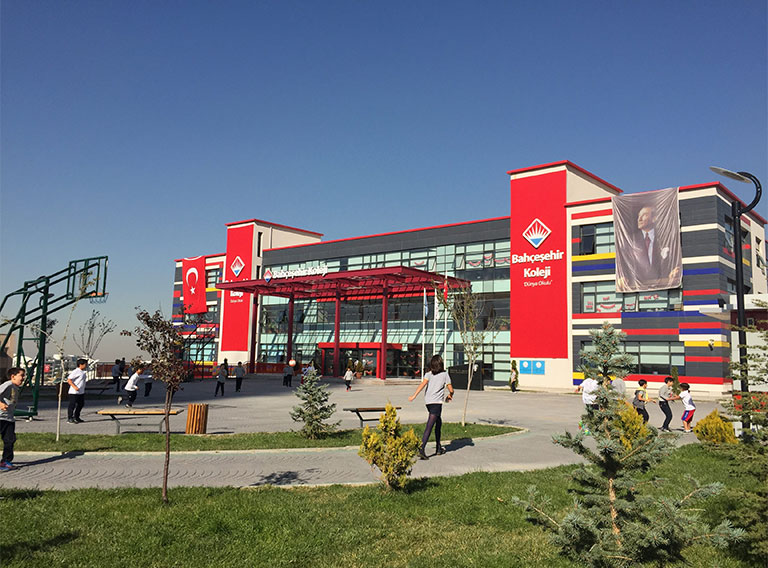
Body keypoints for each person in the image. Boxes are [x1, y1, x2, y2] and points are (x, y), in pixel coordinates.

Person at [408, 354, 454, 460]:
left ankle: (438, 447)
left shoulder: (428, 374)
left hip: (428, 402)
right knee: (430, 425)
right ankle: (421, 448)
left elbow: (422, 385)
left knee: (438, 423)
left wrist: (414, 396)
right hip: (436, 403)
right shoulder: (445, 375)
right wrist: (450, 395)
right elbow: (451, 389)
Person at [0, 367, 25, 471]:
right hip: (1, 417)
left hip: (9, 418)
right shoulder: (8, 385)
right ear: (13, 376)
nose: (23, 378)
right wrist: (0, 404)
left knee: (10, 439)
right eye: (21, 375)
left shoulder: (15, 387)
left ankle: (5, 461)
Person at [66, 358, 88, 424]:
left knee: (81, 404)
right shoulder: (76, 371)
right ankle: (70, 418)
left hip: (81, 392)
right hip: (74, 392)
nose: (86, 366)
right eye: (85, 364)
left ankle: (77, 417)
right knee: (72, 405)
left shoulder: (82, 372)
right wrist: (75, 387)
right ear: (81, 364)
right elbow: (69, 380)